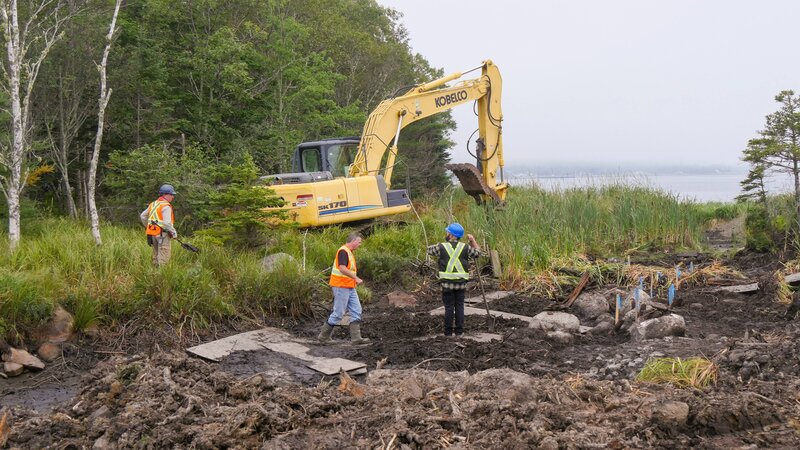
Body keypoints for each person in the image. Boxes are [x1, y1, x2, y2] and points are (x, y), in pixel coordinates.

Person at [427, 223, 481, 337]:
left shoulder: (442, 247)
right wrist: (473, 240)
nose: (446, 233)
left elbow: (429, 250)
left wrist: (441, 244)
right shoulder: (465, 247)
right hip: (461, 284)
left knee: (449, 308)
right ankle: (459, 332)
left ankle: (448, 333)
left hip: (447, 285)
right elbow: (477, 253)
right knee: (460, 307)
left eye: (447, 232)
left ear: (451, 235)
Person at [318, 232, 370, 344]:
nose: (360, 244)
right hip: (341, 286)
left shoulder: (349, 252)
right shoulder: (343, 251)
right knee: (339, 313)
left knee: (357, 310)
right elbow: (342, 268)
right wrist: (356, 278)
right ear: (353, 241)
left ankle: (356, 338)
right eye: (359, 242)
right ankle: (323, 337)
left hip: (349, 286)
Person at [140, 184, 178, 267]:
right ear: (165, 194)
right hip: (163, 235)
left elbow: (143, 216)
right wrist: (174, 233)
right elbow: (167, 223)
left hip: (152, 234)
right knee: (163, 257)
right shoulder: (166, 206)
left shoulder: (153, 204)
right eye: (171, 194)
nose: (173, 197)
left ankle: (154, 274)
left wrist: (148, 226)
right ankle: (161, 277)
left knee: (155, 256)